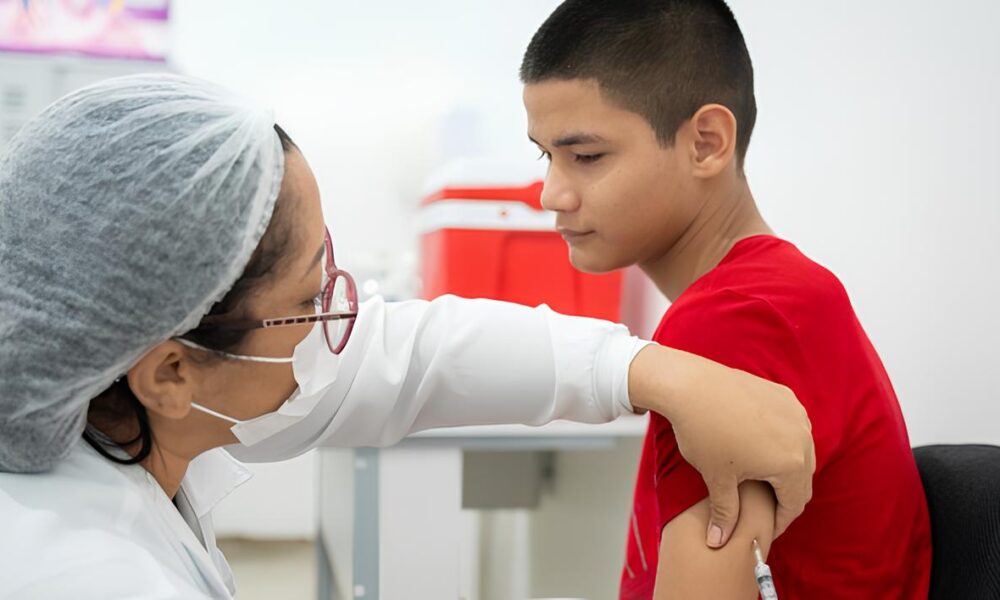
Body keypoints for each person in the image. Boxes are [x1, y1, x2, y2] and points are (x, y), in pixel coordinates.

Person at [0, 74, 812, 598]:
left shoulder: (110, 405)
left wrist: (644, 367)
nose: (346, 321)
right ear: (171, 373)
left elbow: (416, 353)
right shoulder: (84, 574)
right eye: (311, 297)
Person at [520, 1, 931, 598]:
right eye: (546, 155)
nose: (551, 194)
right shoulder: (773, 293)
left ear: (707, 143)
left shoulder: (734, 318)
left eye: (586, 157)